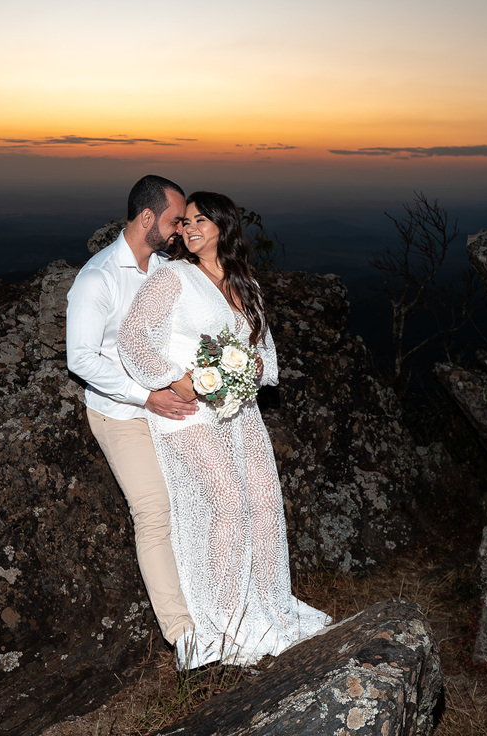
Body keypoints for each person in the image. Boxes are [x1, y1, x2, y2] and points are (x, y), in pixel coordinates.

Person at [118, 191, 330, 670]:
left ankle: (267, 607)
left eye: (199, 220)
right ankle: (225, 620)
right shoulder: (171, 276)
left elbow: (265, 356)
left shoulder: (246, 283)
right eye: (184, 221)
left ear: (223, 226)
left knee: (262, 503)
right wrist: (177, 379)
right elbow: (134, 339)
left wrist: (242, 371)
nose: (188, 228)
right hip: (186, 414)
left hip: (240, 413)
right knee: (227, 502)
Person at [65, 175, 197, 650]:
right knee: (154, 511)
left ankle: (215, 607)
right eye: (174, 220)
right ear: (147, 218)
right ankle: (183, 637)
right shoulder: (97, 277)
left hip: (165, 405)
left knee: (195, 499)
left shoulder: (163, 270)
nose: (180, 229)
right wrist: (146, 396)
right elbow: (79, 358)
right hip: (119, 413)